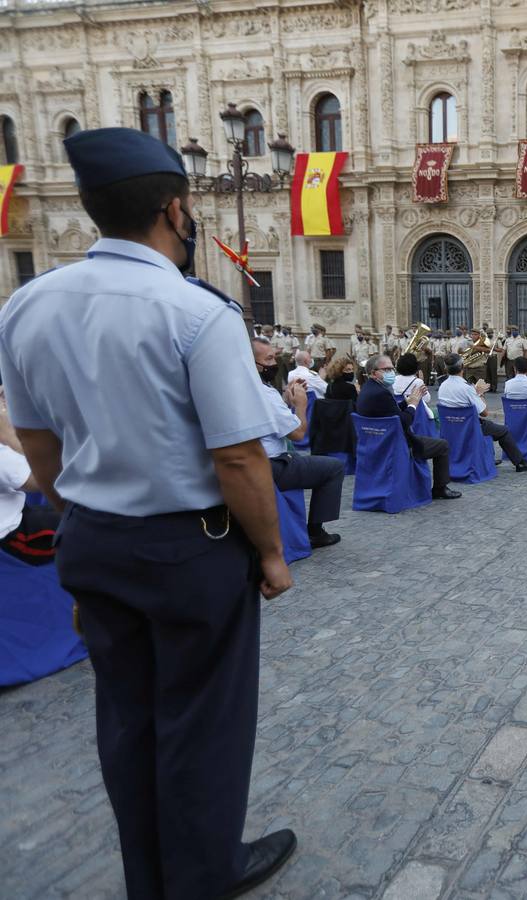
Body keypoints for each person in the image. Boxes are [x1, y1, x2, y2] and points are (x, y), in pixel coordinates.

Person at [0, 127, 297, 898]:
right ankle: (201, 876)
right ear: (175, 208)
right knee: (203, 724)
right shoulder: (195, 311)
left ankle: (150, 877)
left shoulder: (28, 304)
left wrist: (83, 521)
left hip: (91, 539)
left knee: (127, 721)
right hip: (188, 548)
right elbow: (238, 457)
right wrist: (269, 552)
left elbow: (37, 445)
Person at [251, 339, 344, 548]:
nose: (274, 363)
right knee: (333, 468)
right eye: (268, 359)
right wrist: (300, 406)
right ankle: (316, 531)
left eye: (274, 357)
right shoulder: (264, 393)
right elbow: (298, 434)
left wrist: (286, 401)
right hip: (272, 464)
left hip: (254, 461)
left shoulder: (240, 388)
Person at [356, 354, 461, 498]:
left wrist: (406, 401)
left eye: (392, 369)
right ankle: (440, 488)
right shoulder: (381, 393)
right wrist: (413, 404)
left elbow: (390, 412)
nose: (391, 373)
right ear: (374, 373)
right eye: (386, 369)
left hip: (374, 442)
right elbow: (403, 422)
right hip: (394, 444)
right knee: (442, 445)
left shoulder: (368, 389)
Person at [437, 354, 527, 470]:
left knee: (490, 426)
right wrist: (480, 393)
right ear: (462, 367)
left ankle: (488, 458)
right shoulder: (466, 388)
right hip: (469, 428)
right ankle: (520, 462)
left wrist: (475, 392)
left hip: (451, 427)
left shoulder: (442, 386)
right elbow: (484, 412)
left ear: (446, 369)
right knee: (503, 431)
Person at [0, 398, 60, 565]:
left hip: (20, 514)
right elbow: (41, 481)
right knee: (89, 529)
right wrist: (9, 434)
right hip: (15, 536)